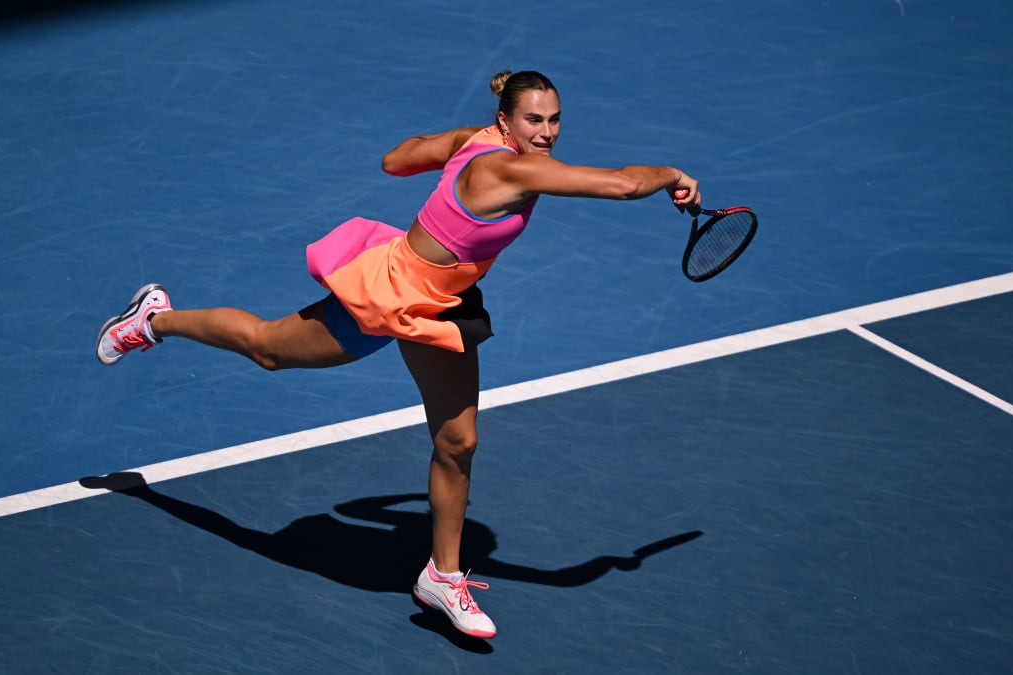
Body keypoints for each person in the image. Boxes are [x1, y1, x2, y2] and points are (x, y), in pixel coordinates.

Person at [95, 70, 700, 639]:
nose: (546, 133)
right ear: (506, 120)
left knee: (459, 441)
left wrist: (454, 149)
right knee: (268, 349)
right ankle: (153, 320)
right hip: (391, 293)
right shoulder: (510, 169)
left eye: (554, 120)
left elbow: (396, 159)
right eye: (534, 120)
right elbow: (625, 184)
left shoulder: (479, 140)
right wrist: (673, 173)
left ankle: (442, 577)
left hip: (443, 303)